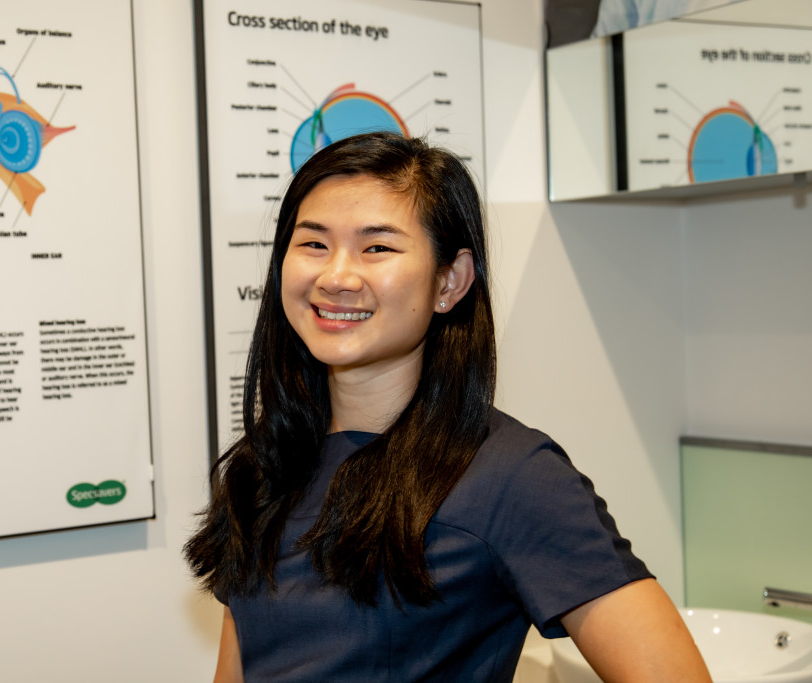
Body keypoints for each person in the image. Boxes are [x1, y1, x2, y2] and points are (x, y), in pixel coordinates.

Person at [184, 132, 711, 682]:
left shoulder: (511, 476)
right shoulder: (265, 464)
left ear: (450, 281)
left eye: (377, 248)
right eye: (314, 244)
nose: (336, 277)